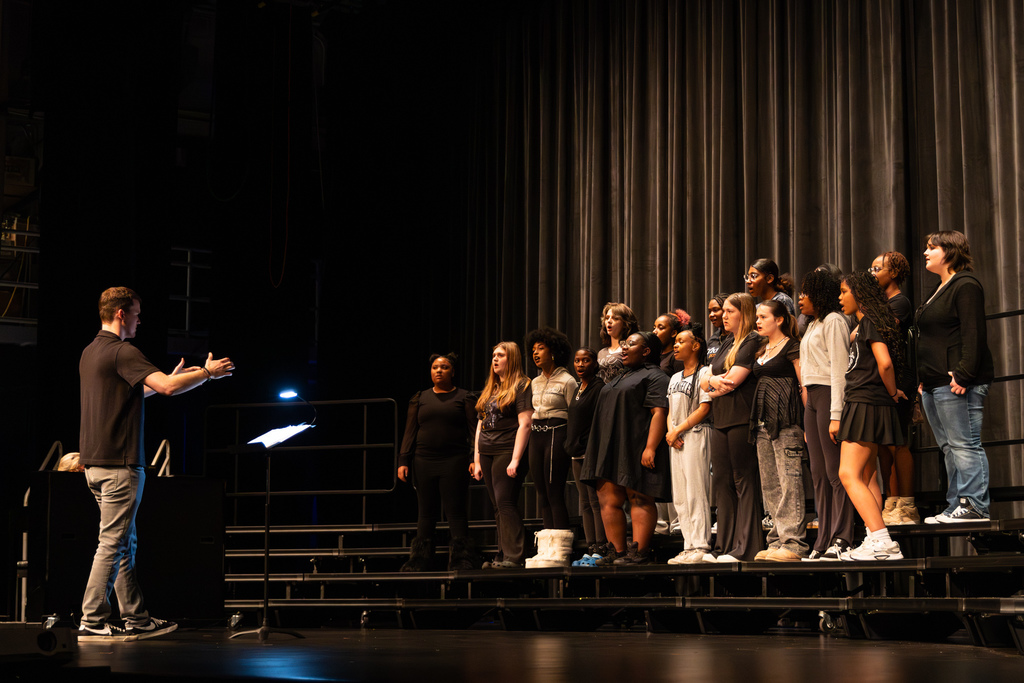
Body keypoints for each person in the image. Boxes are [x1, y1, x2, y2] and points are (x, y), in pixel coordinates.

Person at [78, 287, 234, 641]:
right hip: (119, 465)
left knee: (122, 543)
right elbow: (166, 388)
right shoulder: (123, 350)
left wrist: (176, 378)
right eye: (136, 313)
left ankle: (136, 618)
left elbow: (139, 390)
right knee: (113, 543)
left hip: (96, 465)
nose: (139, 320)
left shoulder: (91, 351)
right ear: (121, 313)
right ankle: (92, 619)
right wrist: (207, 373)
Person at [917, 231, 995, 523]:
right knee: (949, 447)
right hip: (934, 382)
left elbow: (973, 332)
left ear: (950, 251)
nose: (926, 252)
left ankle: (975, 505)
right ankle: (955, 505)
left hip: (957, 382)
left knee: (964, 444)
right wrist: (924, 376)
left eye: (932, 247)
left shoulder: (965, 285)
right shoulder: (939, 287)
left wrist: (964, 374)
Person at [581, 332, 670, 565]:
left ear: (646, 351)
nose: (624, 348)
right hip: (609, 444)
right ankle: (617, 552)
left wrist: (650, 447)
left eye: (630, 344)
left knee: (639, 496)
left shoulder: (656, 376)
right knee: (607, 498)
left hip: (636, 443)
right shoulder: (621, 375)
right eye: (624, 344)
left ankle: (639, 552)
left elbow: (659, 412)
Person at [836, 272, 907, 561]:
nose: (840, 298)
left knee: (848, 474)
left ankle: (883, 542)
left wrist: (892, 392)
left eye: (844, 292)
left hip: (866, 401)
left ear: (860, 294)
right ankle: (873, 536)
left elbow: (885, 363)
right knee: (868, 476)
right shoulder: (864, 324)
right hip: (867, 401)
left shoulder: (871, 322)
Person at [398, 353, 478, 571]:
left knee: (455, 510)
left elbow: (474, 431)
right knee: (426, 511)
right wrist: (403, 459)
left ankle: (462, 558)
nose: (439, 371)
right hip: (423, 461)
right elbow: (410, 431)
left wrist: (474, 458)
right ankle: (420, 559)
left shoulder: (464, 397)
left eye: (444, 367)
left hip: (454, 460)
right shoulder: (420, 398)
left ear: (453, 372)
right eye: (435, 367)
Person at [700, 292, 764, 562]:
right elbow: (705, 379)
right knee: (722, 481)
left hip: (741, 417)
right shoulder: (727, 342)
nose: (723, 316)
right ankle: (723, 547)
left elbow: (733, 380)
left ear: (744, 313)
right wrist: (712, 382)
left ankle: (745, 547)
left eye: (729, 311)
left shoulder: (752, 340)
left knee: (743, 479)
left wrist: (711, 382)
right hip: (721, 418)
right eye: (723, 311)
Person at [798, 269, 854, 561]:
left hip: (830, 395)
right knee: (818, 474)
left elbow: (839, 370)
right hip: (812, 400)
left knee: (835, 472)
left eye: (806, 293)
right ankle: (823, 538)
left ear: (819, 294)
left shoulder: (834, 321)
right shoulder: (813, 324)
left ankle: (843, 536)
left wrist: (836, 414)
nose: (800, 298)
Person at [749, 300, 807, 561]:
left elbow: (803, 384)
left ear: (780, 319)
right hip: (763, 422)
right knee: (770, 484)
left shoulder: (792, 346)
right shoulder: (762, 348)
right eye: (757, 317)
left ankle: (794, 544)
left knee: (789, 481)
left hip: (787, 421)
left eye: (763, 317)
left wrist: (808, 422)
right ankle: (776, 540)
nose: (758, 321)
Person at [473, 342, 533, 568]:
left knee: (505, 502)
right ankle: (502, 554)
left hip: (507, 449)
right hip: (487, 451)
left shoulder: (522, 385)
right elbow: (480, 425)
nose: (495, 359)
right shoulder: (492, 388)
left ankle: (515, 556)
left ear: (512, 359)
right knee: (497, 506)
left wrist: (516, 459)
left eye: (500, 355)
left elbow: (525, 423)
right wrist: (477, 459)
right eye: (493, 355)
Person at [870, 251, 920, 525]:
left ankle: (908, 504)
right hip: (881, 381)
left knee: (899, 442)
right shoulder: (880, 304)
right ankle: (892, 501)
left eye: (878, 268)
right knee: (883, 445)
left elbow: (883, 330)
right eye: (871, 268)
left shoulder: (900, 302)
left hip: (900, 379)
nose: (873, 273)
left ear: (894, 273)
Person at [523, 328, 577, 567]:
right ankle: (546, 549)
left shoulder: (567, 380)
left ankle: (561, 550)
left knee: (555, 491)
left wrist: (572, 442)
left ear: (553, 351)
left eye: (541, 348)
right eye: (533, 350)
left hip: (558, 433)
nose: (536, 353)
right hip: (537, 436)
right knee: (541, 492)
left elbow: (574, 415)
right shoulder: (534, 382)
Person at [665, 325, 714, 564]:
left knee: (696, 492)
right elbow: (669, 411)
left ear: (695, 345)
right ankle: (688, 545)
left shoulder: (705, 372)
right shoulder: (674, 377)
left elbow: (704, 408)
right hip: (676, 439)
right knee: (680, 496)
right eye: (675, 342)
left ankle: (701, 545)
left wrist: (678, 430)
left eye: (681, 341)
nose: (675, 345)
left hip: (696, 434)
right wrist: (671, 432)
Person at [565, 347, 607, 565]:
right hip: (576, 454)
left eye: (586, 360)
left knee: (595, 501)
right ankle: (590, 547)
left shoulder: (599, 388)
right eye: (577, 360)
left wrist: (591, 447)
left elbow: (600, 421)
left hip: (591, 452)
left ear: (595, 363)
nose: (580, 365)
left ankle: (602, 547)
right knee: (585, 503)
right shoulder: (577, 388)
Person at [597, 302, 640, 384]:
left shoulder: (629, 350)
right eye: (607, 318)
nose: (609, 321)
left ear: (625, 324)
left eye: (615, 318)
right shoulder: (601, 352)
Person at [653, 310, 689, 377]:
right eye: (654, 327)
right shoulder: (655, 354)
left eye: (660, 328)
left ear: (673, 333)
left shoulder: (677, 357)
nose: (654, 331)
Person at [706, 294, 728, 364]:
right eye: (709, 311)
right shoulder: (713, 339)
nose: (711, 315)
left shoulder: (738, 338)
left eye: (715, 310)